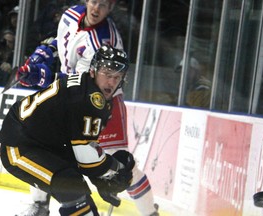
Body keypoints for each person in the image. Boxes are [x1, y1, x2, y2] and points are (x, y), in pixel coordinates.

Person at [15, 0, 159, 216]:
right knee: (42, 143)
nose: (96, 8)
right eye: (93, 1)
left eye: (103, 5)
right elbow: (61, 41)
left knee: (119, 164)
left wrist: (41, 76)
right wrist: (41, 54)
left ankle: (150, 212)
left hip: (102, 102)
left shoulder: (101, 42)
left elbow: (82, 85)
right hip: (72, 96)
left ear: (110, 8)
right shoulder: (71, 15)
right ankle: (39, 205)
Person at [0, 45, 135, 216]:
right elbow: (86, 159)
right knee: (72, 189)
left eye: (117, 77)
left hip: (45, 144)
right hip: (19, 147)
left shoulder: (89, 89)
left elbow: (82, 147)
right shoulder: (91, 99)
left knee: (76, 192)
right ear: (93, 70)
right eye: (107, 74)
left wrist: (102, 176)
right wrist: (116, 168)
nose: (111, 82)